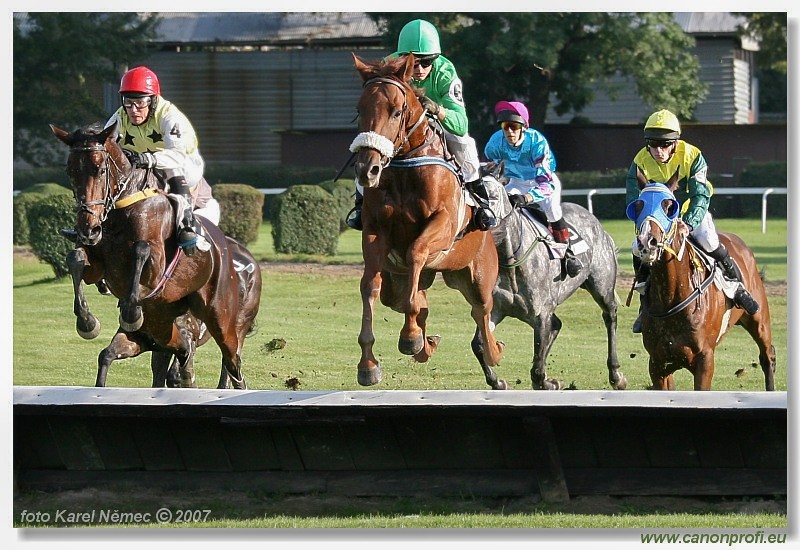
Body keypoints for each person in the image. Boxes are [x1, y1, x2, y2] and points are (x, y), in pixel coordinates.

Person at [625, 109, 759, 333]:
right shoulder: (639, 160)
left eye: (664, 144)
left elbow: (700, 196)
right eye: (653, 143)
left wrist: (688, 223)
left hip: (689, 211)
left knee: (708, 240)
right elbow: (633, 198)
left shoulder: (693, 155)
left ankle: (738, 287)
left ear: (675, 142)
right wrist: (644, 224)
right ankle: (644, 305)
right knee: (637, 248)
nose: (658, 150)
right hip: (661, 221)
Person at [346, 19, 485, 230]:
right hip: (401, 126)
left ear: (435, 59)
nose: (419, 69)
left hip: (437, 124)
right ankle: (361, 205)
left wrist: (438, 110)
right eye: (414, 62)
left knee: (465, 143)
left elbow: (461, 124)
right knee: (369, 148)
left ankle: (480, 203)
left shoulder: (446, 72)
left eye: (426, 62)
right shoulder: (390, 65)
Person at [103, 66, 216, 255]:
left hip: (184, 164)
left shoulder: (169, 116)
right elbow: (105, 143)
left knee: (172, 169)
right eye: (128, 103)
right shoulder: (120, 115)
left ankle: (186, 225)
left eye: (140, 103)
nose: (133, 110)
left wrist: (145, 158)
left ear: (153, 101)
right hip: (145, 165)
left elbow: (177, 155)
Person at [482, 100, 583, 277]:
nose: (509, 132)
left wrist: (528, 198)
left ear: (524, 127)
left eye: (514, 126)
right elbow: (491, 169)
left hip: (542, 182)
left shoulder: (537, 142)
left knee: (552, 209)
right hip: (515, 182)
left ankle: (568, 254)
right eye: (505, 127)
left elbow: (546, 182)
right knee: (495, 208)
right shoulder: (495, 142)